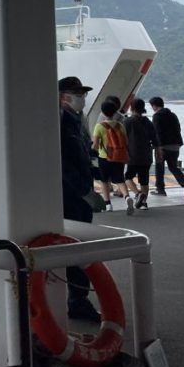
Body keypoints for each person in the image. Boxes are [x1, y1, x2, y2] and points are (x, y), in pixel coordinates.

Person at [58, 76, 102, 324]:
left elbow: (84, 155)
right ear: (64, 96)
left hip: (80, 194)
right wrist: (83, 191)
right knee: (77, 245)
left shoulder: (77, 121)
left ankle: (78, 299)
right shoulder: (62, 122)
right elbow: (64, 163)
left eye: (83, 93)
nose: (82, 98)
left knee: (80, 245)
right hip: (71, 196)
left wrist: (95, 174)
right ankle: (77, 300)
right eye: (77, 93)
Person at [92, 97, 138, 214]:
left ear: (102, 112)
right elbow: (126, 142)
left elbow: (95, 145)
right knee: (119, 180)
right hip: (119, 157)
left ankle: (108, 205)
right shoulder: (120, 125)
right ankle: (127, 197)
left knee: (104, 181)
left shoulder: (99, 126)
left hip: (104, 157)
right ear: (115, 111)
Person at [149, 96, 184, 199]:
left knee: (159, 168)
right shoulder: (173, 115)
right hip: (175, 146)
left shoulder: (157, 116)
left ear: (154, 106)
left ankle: (160, 190)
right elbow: (178, 128)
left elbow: (156, 132)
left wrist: (156, 146)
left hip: (163, 147)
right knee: (173, 167)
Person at [124, 98, 158, 210]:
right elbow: (155, 139)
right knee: (144, 181)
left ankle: (137, 194)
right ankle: (143, 203)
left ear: (131, 107)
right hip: (146, 155)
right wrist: (158, 151)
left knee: (127, 177)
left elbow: (123, 138)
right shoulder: (148, 122)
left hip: (132, 155)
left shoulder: (127, 121)